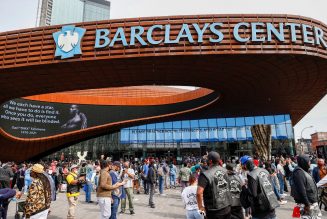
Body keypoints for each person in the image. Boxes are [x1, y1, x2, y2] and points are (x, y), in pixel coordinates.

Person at [196, 151, 231, 218]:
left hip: (214, 210)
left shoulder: (205, 175)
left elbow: (199, 193)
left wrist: (200, 207)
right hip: (227, 206)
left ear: (210, 161)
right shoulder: (225, 170)